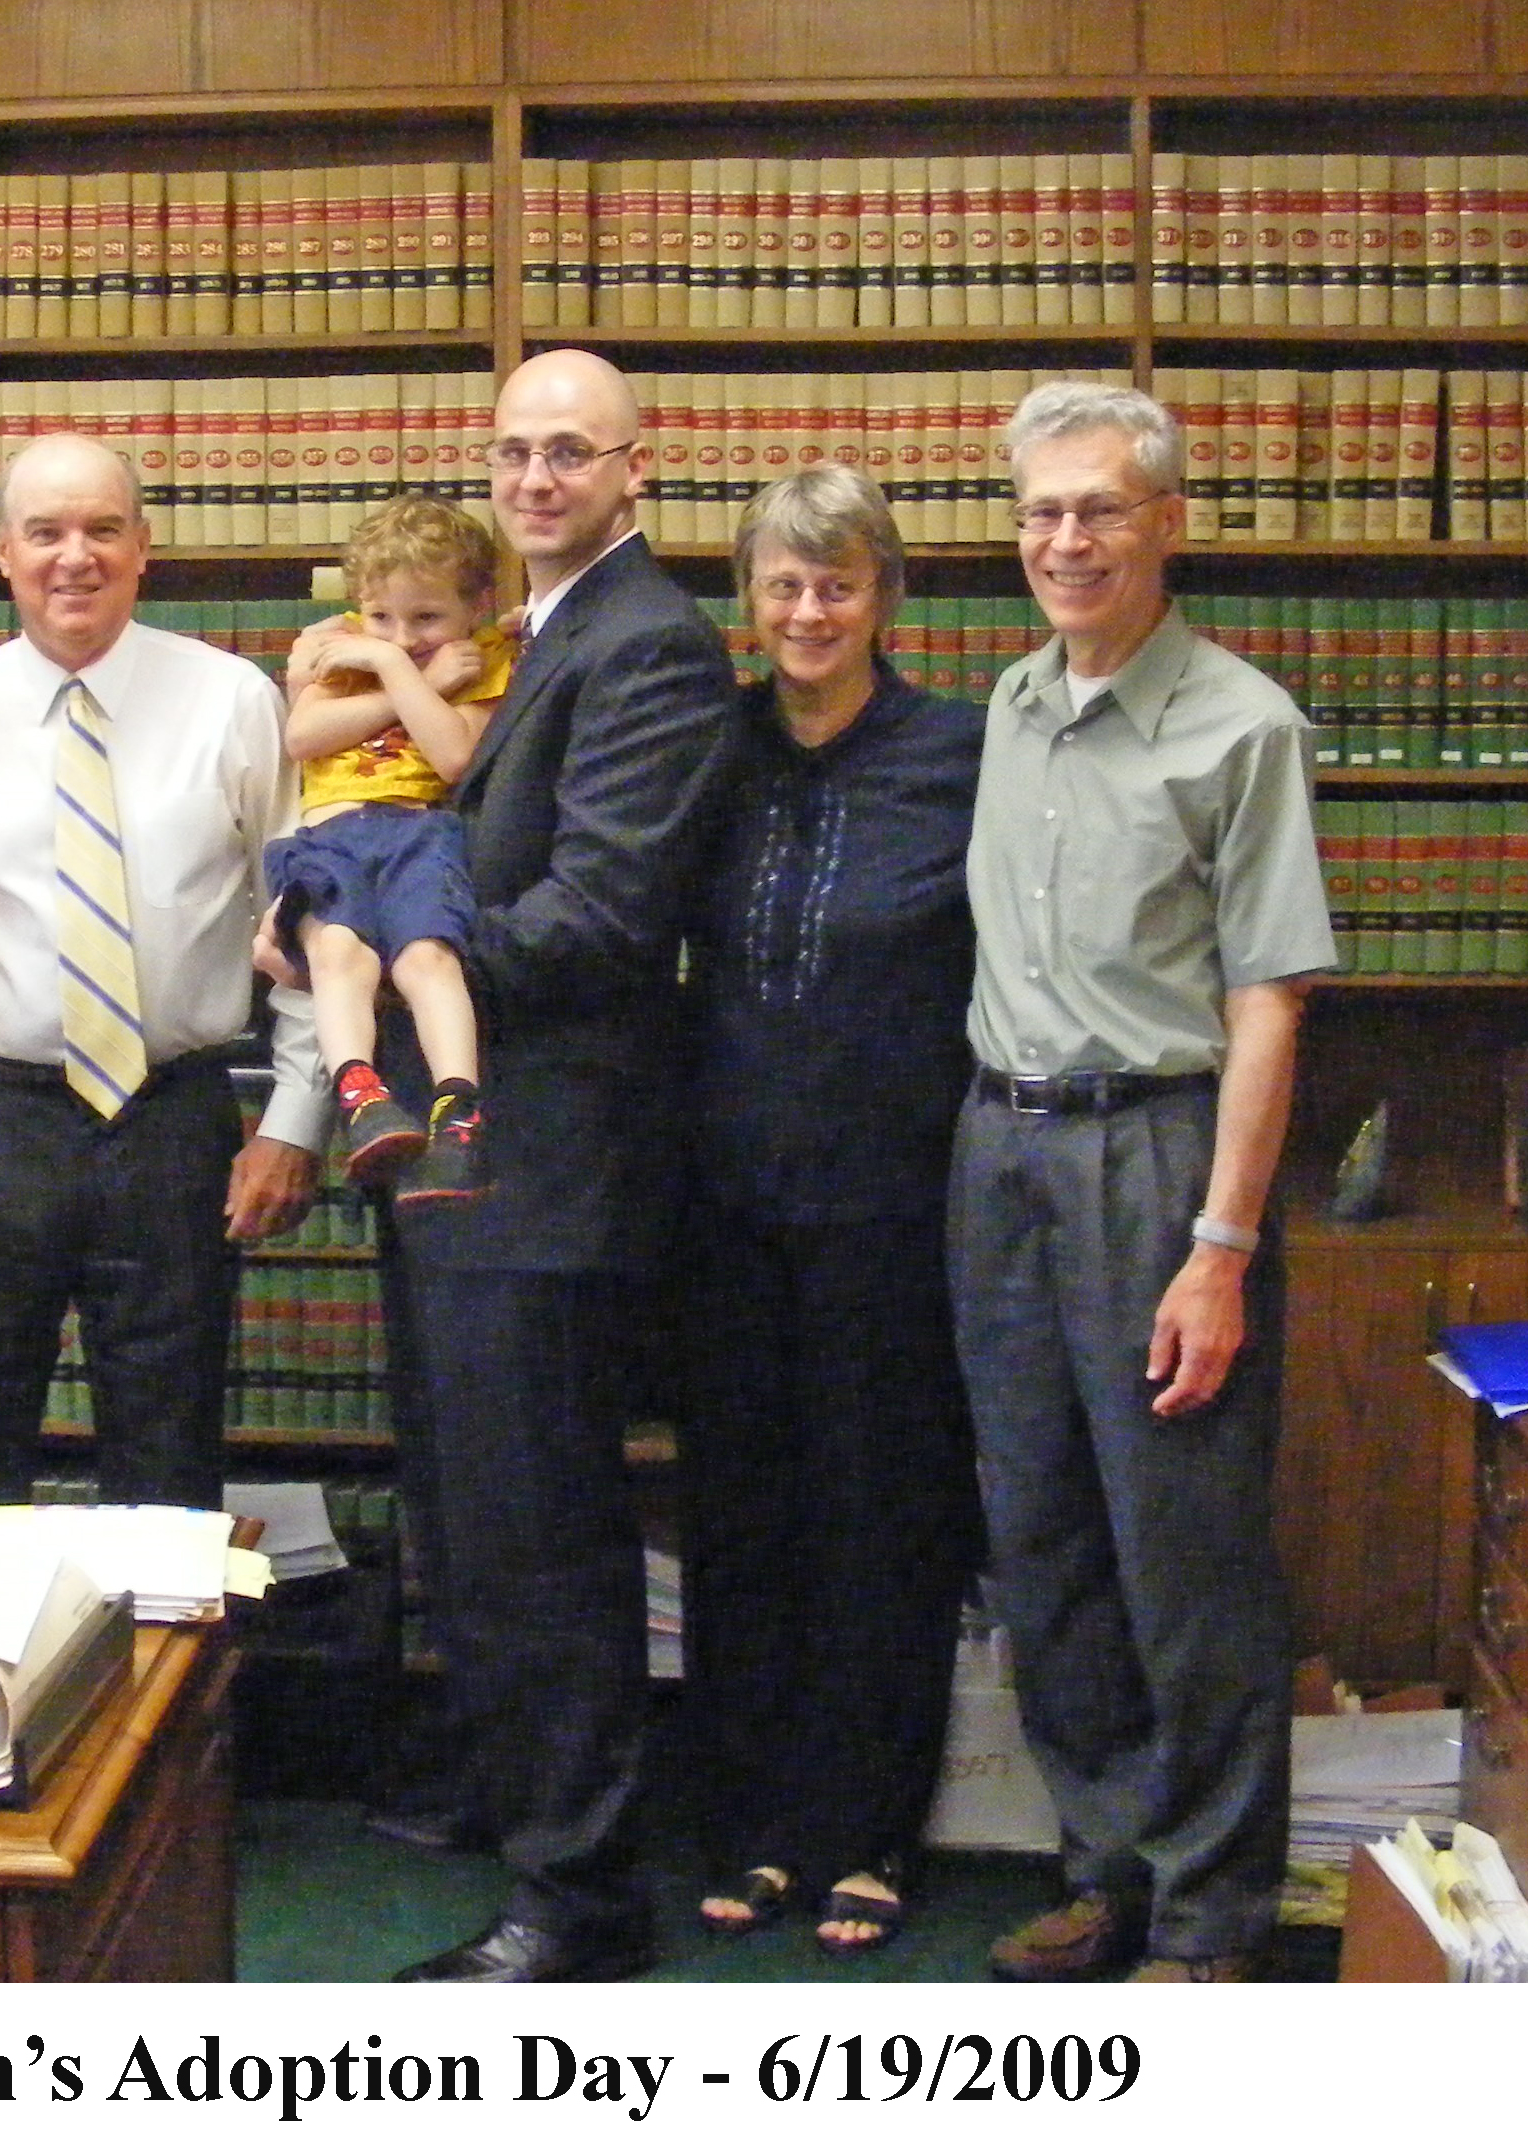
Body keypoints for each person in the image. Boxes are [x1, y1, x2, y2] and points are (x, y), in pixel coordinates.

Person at [951, 380, 1338, 1985]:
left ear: (1167, 524)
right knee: (1041, 1541)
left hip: (1157, 1159)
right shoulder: (1009, 704)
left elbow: (1269, 1001)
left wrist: (1222, 1245)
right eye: (1041, 511)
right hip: (1000, 1154)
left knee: (1183, 1558)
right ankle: (1104, 1865)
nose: (1067, 539)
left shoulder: (1242, 725)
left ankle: (1211, 1917)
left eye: (1101, 508)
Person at [377, 348, 738, 1984]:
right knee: (478, 1535)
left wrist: (398, 949)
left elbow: (597, 921)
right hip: (480, 1167)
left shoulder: (649, 643)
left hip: (551, 1173)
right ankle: (528, 1829)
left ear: (631, 469)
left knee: (541, 1547)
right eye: (513, 450)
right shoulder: (546, 635)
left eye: (568, 452)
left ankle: (578, 1908)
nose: (532, 478)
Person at [677, 460, 986, 1958]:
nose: (808, 611)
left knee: (884, 1521)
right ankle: (752, 1821)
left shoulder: (962, 754)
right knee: (744, 1518)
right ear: (752, 598)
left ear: (887, 600)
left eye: (838, 584)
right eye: (784, 584)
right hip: (723, 1202)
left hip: (894, 1206)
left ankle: (868, 1832)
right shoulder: (709, 748)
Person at [0, 431, 325, 1509]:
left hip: (171, 1120)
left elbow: (315, 925)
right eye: (44, 531)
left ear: (144, 547)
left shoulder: (233, 702)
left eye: (99, 528)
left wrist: (292, 1119)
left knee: (170, 1448)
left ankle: (157, 1677)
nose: (71, 556)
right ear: (2, 553)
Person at [266, 491, 513, 1206]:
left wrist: (402, 674)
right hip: (331, 832)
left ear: (476, 606)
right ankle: (361, 1093)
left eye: (426, 618)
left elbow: (453, 757)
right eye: (382, 617)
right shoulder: (343, 648)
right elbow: (302, 737)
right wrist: (402, 674)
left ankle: (458, 1110)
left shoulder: (483, 659)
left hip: (418, 831)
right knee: (340, 956)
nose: (401, 637)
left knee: (427, 960)